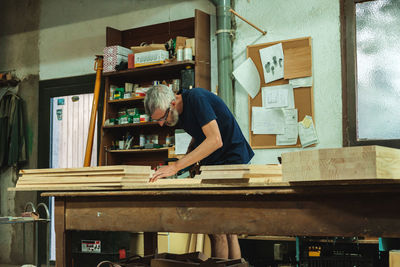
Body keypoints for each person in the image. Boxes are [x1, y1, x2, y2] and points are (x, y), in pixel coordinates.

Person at [144, 84, 254, 259]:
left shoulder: (196, 98)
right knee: (227, 229)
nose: (161, 123)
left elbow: (215, 140)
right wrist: (190, 158)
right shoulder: (181, 112)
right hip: (217, 160)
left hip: (231, 160)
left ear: (172, 103)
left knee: (217, 228)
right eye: (157, 120)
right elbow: (200, 132)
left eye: (163, 117)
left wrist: (175, 166)